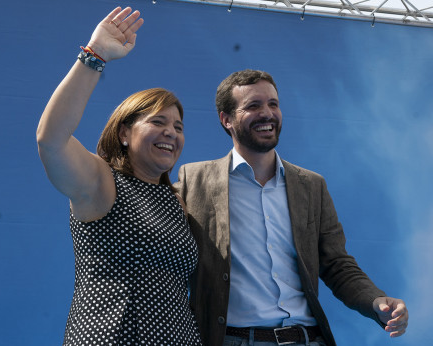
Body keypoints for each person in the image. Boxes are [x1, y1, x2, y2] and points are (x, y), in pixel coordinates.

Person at [175, 69, 409, 346]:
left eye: (273, 104)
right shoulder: (194, 180)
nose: (267, 113)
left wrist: (375, 300)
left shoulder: (311, 186)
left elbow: (336, 263)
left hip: (308, 339)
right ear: (226, 119)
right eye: (253, 106)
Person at [36, 7, 202, 345]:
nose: (171, 133)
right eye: (158, 122)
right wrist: (94, 56)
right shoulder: (102, 182)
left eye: (178, 127)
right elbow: (51, 140)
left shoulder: (176, 201)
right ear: (124, 132)